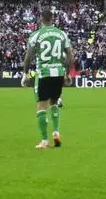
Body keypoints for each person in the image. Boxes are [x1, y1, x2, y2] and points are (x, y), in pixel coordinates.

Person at [23, 11, 74, 150]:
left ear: (41, 19)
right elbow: (70, 55)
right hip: (58, 73)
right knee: (54, 102)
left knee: (41, 106)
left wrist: (25, 74)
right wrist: (67, 74)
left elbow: (28, 57)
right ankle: (56, 132)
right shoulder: (62, 34)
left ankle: (45, 140)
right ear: (53, 19)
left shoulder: (36, 35)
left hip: (43, 73)